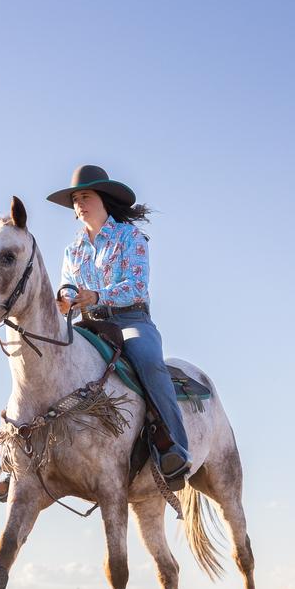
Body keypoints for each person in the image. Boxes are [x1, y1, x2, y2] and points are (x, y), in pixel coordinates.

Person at [48, 164, 190, 480]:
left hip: (130, 320)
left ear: (103, 199)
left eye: (85, 196)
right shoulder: (72, 250)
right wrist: (65, 300)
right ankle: (25, 454)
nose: (79, 204)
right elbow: (69, 287)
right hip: (89, 324)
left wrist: (97, 295)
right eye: (75, 200)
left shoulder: (130, 237)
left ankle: (176, 450)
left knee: (150, 363)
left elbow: (137, 286)